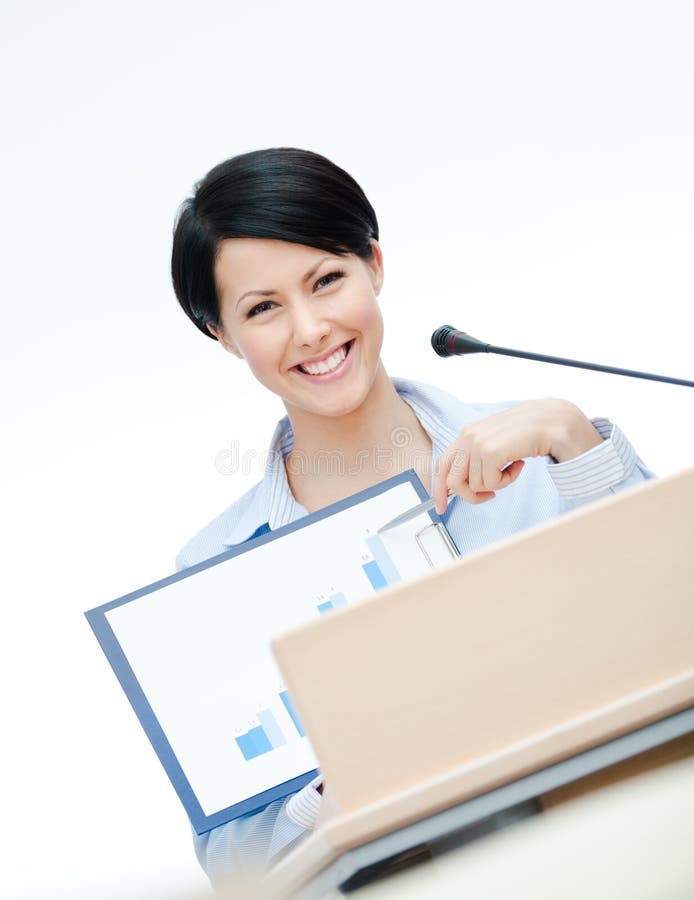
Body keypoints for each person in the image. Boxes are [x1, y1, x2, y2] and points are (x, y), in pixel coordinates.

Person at [170, 147, 652, 888]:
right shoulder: (215, 570)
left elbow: (671, 619)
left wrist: (573, 436)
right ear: (223, 337)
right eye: (262, 308)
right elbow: (236, 870)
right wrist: (343, 773)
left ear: (375, 266)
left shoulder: (548, 450)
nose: (310, 330)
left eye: (327, 280)